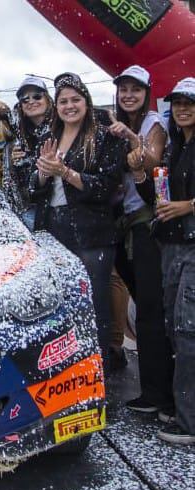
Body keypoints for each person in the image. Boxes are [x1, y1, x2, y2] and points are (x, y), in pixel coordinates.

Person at [30, 72, 124, 371]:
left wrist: (65, 172)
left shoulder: (104, 135)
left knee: (93, 305)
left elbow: (106, 186)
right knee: (60, 306)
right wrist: (44, 173)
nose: (69, 106)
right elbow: (34, 188)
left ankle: (98, 374)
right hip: (52, 228)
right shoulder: (49, 137)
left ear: (87, 102)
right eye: (63, 101)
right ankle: (67, 376)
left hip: (91, 231)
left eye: (75, 100)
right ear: (56, 106)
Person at [108, 65, 173, 413]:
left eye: (135, 89)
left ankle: (158, 395)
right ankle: (154, 391)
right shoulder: (120, 124)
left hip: (148, 226)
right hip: (125, 225)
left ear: (147, 93)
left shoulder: (152, 125)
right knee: (143, 305)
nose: (128, 95)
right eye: (123, 89)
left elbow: (153, 161)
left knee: (150, 311)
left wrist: (132, 140)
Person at [136, 77, 195, 445]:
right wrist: (141, 172)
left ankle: (190, 422)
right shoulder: (174, 148)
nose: (183, 108)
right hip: (171, 246)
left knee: (189, 331)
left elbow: (181, 203)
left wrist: (189, 206)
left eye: (190, 102)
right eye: (177, 102)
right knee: (175, 328)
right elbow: (156, 195)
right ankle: (179, 407)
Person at [6, 76, 53, 228]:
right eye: (25, 99)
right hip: (34, 212)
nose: (31, 101)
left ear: (48, 99)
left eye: (37, 96)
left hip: (59, 209)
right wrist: (16, 164)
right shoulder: (20, 137)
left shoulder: (61, 127)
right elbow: (21, 184)